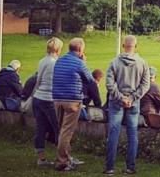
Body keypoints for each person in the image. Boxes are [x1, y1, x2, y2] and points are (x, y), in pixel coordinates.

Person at [104, 35, 150, 175]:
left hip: (116, 102)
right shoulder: (143, 63)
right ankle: (130, 167)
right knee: (132, 134)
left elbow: (109, 84)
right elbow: (145, 85)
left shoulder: (114, 62)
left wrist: (120, 97)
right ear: (136, 47)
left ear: (123, 46)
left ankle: (110, 167)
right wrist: (132, 97)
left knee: (113, 133)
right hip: (133, 102)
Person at [53, 37, 95, 171]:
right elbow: (90, 80)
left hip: (57, 99)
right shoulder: (79, 63)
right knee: (67, 132)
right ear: (81, 50)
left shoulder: (59, 60)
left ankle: (67, 157)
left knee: (62, 131)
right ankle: (62, 162)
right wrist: (84, 62)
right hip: (72, 101)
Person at [32, 37, 63, 166]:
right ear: (58, 49)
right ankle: (63, 157)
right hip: (49, 99)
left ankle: (41, 158)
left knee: (41, 129)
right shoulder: (55, 63)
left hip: (38, 98)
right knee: (59, 129)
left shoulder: (42, 61)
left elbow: (38, 80)